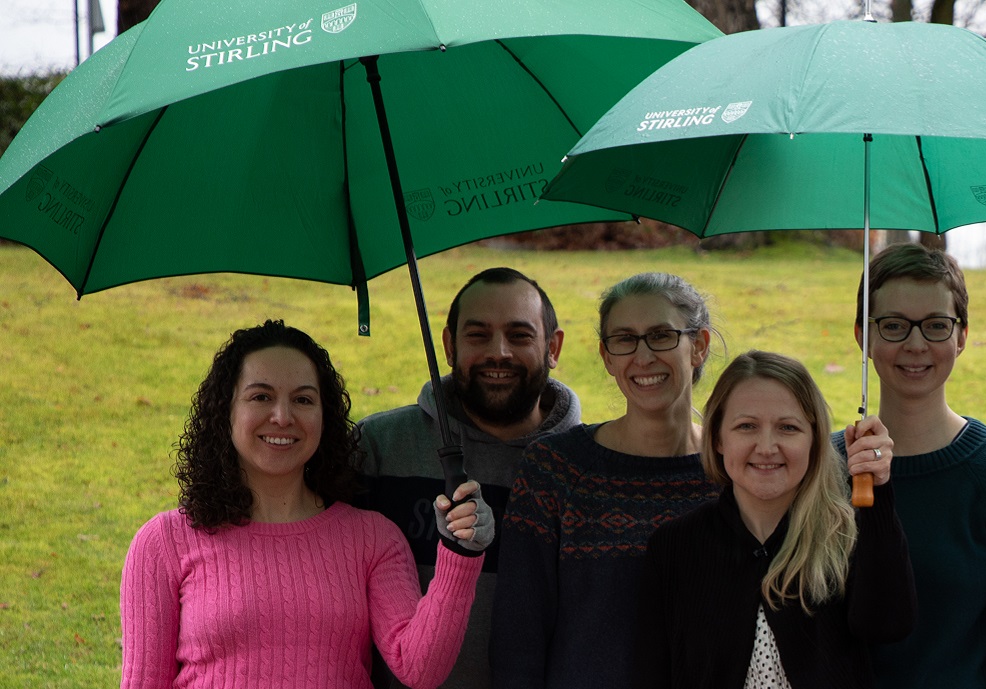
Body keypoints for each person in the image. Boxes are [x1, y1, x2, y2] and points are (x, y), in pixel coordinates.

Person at [120, 320, 491, 689]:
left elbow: (419, 668)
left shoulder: (373, 539)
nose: (283, 417)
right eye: (261, 396)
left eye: (303, 400)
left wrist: (461, 552)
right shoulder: (163, 543)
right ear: (225, 411)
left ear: (324, 417)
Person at [489, 272, 721, 688]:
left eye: (662, 335)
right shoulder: (556, 469)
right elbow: (518, 634)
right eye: (625, 339)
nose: (643, 356)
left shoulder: (733, 473)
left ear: (698, 345)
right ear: (606, 355)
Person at [634, 350, 915, 688]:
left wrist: (878, 494)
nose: (766, 447)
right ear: (719, 438)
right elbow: (651, 672)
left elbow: (887, 624)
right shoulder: (675, 547)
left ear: (814, 439)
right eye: (746, 426)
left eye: (787, 427)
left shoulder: (844, 535)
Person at [356, 267, 580, 689]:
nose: (499, 352)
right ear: (448, 345)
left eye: (519, 335)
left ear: (553, 347)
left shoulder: (583, 466)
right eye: (478, 335)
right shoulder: (377, 447)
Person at [837, 243, 986, 689]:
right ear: (863, 335)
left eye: (936, 326)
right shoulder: (823, 469)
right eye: (893, 326)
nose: (916, 345)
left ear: (962, 336)